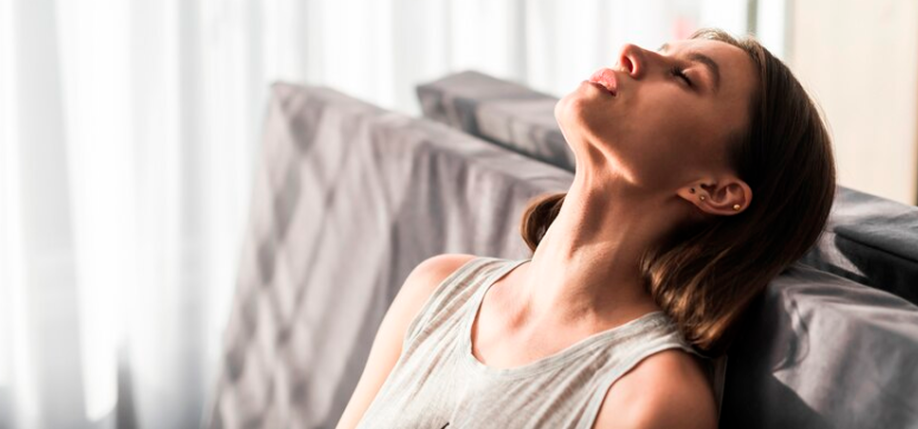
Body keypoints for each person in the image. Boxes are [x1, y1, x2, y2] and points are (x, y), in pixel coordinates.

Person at [336, 27, 837, 429]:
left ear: (715, 190)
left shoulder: (648, 399)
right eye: (662, 50)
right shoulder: (437, 287)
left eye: (684, 77)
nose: (631, 52)